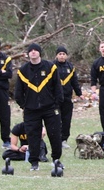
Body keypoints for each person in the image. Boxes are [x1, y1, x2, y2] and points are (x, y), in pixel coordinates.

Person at [13, 43, 65, 175]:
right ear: (28, 54)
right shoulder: (23, 70)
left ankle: (56, 159)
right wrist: (24, 105)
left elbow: (57, 87)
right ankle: (34, 162)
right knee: (33, 136)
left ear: (40, 53)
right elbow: (18, 92)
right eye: (31, 51)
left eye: (36, 50)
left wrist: (57, 103)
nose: (33, 53)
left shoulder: (50, 67)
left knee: (55, 134)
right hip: (31, 109)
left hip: (50, 108)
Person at [55, 46, 83, 150]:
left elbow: (74, 81)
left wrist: (79, 93)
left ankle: (64, 139)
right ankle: (56, 139)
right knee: (56, 119)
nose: (62, 56)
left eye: (63, 54)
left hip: (67, 97)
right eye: (60, 54)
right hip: (55, 98)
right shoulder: (52, 66)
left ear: (66, 56)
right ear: (56, 55)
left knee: (66, 119)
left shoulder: (70, 67)